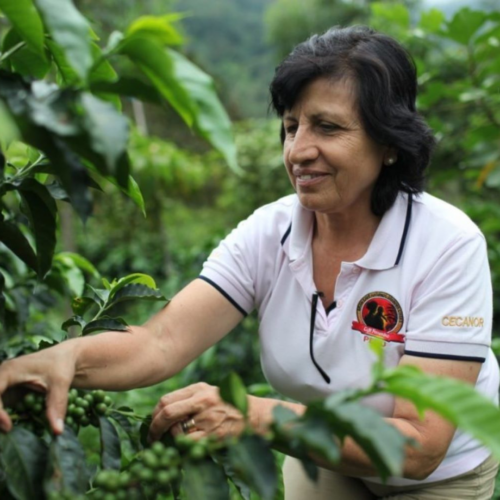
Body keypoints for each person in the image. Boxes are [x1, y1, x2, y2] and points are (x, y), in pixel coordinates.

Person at [0, 25, 498, 499]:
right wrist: (63, 358)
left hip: (437, 478)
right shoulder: (272, 232)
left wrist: (258, 416)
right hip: (329, 454)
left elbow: (419, 445)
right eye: (290, 126)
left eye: (327, 127)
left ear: (388, 143)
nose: (298, 150)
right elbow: (160, 342)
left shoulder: (447, 246)